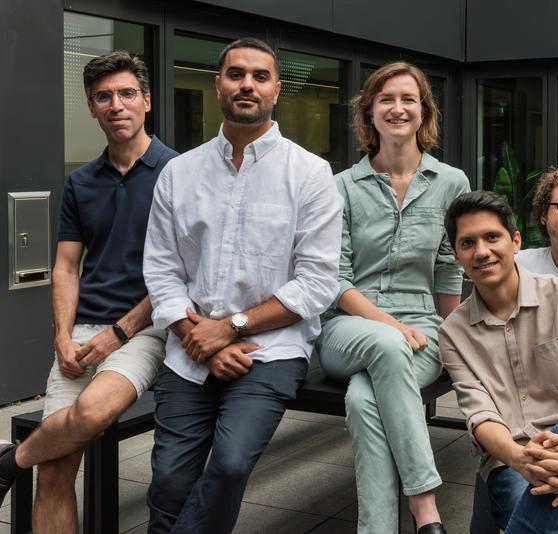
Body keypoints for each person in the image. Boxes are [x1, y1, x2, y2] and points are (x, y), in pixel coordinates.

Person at [143, 37, 343, 534]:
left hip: (269, 351)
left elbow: (316, 283)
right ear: (219, 85)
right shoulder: (178, 173)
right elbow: (161, 270)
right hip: (189, 347)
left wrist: (230, 328)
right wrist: (203, 340)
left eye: (259, 76)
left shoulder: (311, 174)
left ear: (277, 89)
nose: (247, 84)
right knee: (169, 477)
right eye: (236, 74)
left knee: (230, 464)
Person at [0, 51, 175, 532]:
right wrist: (62, 338)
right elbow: (66, 267)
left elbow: (182, 276)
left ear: (146, 101)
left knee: (92, 412)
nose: (115, 105)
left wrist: (119, 333)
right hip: (83, 329)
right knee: (53, 472)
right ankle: (24, 462)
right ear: (92, 107)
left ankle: (8, 462)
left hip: (148, 330)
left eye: (125, 94)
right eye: (104, 97)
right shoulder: (80, 181)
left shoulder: (180, 173)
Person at [315, 61, 470, 534]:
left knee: (364, 402)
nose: (398, 108)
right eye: (386, 99)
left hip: (424, 327)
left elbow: (447, 269)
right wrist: (389, 326)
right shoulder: (339, 186)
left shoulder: (451, 183)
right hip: (348, 326)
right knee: (386, 346)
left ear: (424, 111)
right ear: (370, 112)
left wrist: (461, 339)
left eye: (408, 99)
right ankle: (427, 509)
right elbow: (335, 281)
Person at [439, 190, 558, 534]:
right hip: (515, 462)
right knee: (517, 492)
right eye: (468, 243)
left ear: (514, 242)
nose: (481, 251)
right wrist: (519, 460)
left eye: (492, 237)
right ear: (456, 255)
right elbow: (480, 414)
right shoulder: (453, 332)